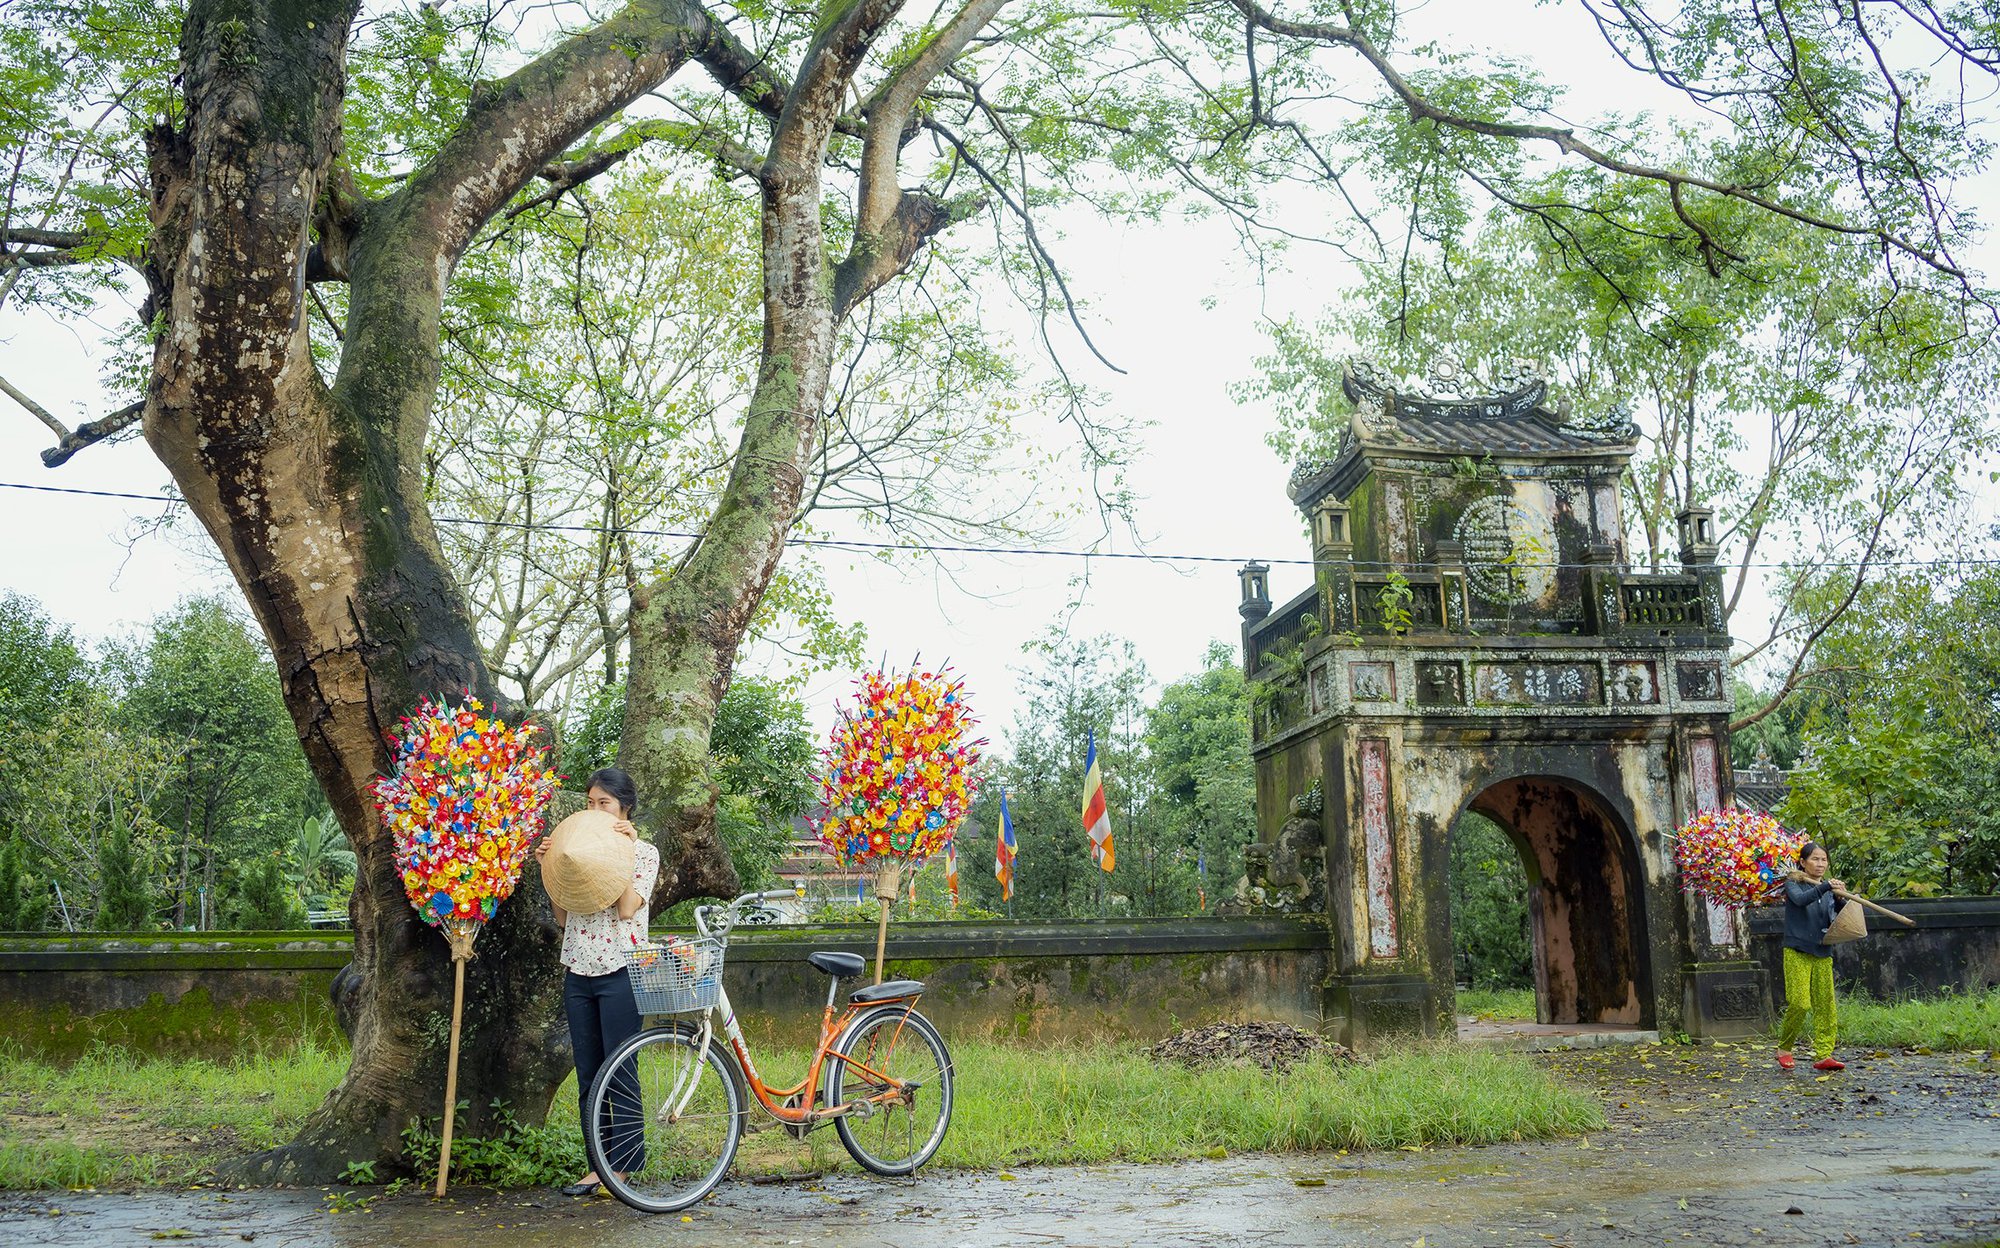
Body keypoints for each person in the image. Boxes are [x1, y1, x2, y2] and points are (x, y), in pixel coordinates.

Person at [535, 767, 660, 1196]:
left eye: (603, 803)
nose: (595, 810)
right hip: (578, 970)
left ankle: (623, 1167)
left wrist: (620, 852)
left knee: (620, 1069)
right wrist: (552, 869)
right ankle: (599, 1166)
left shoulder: (644, 853)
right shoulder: (579, 854)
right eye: (590, 803)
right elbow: (564, 917)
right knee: (589, 1073)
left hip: (621, 970)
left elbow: (627, 908)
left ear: (625, 807)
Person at [1775, 841, 1850, 1072]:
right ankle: (1784, 1047)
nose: (1820, 864)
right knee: (1800, 1003)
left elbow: (1837, 919)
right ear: (1803, 862)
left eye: (1823, 860)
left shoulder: (1828, 890)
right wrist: (1825, 886)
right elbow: (1800, 901)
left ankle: (1824, 1054)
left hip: (1822, 951)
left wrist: (1840, 900)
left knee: (1826, 1005)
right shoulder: (1793, 883)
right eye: (1815, 859)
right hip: (1797, 950)